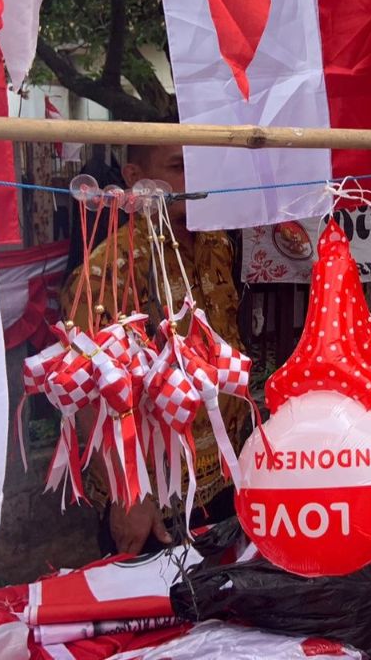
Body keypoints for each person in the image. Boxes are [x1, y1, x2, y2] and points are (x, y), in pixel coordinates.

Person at [59, 144, 246, 556]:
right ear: (133, 177)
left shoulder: (217, 244)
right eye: (178, 167)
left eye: (199, 167)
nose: (192, 181)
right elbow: (88, 388)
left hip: (223, 475)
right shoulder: (110, 267)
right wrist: (130, 495)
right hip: (153, 495)